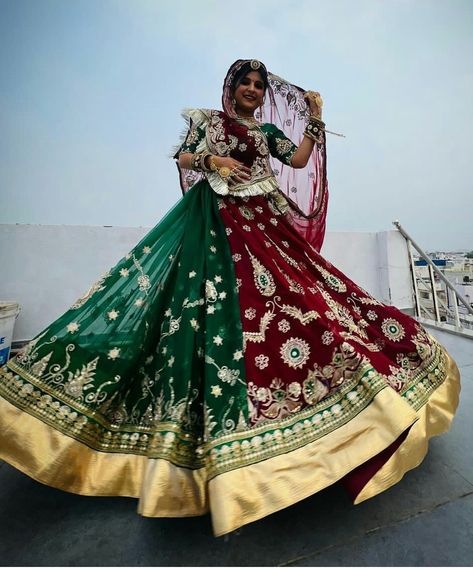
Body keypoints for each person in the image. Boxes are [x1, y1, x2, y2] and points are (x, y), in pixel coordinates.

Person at [0, 59, 460, 537]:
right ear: (231, 87)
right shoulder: (209, 122)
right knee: (204, 316)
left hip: (266, 227)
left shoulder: (263, 133)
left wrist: (315, 119)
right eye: (246, 82)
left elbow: (299, 160)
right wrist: (211, 161)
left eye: (260, 85)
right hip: (217, 228)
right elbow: (182, 158)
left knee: (304, 305)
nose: (254, 90)